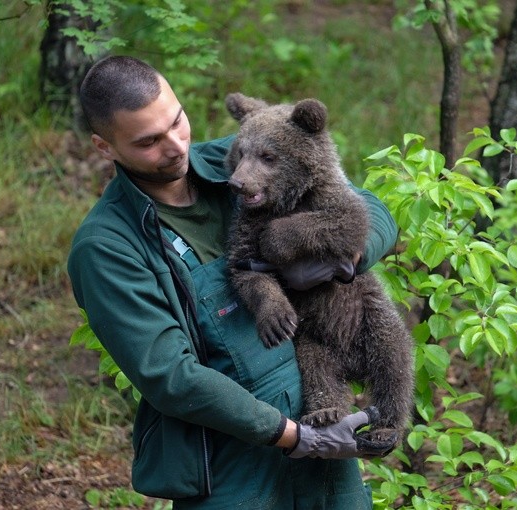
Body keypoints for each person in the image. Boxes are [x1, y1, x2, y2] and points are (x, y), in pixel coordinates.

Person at [67, 55, 399, 509]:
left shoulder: (237, 160)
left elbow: (368, 207)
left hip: (324, 436)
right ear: (105, 147)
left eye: (177, 122)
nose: (175, 147)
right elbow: (172, 377)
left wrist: (346, 261)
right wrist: (295, 437)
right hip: (232, 464)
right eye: (148, 141)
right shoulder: (107, 247)